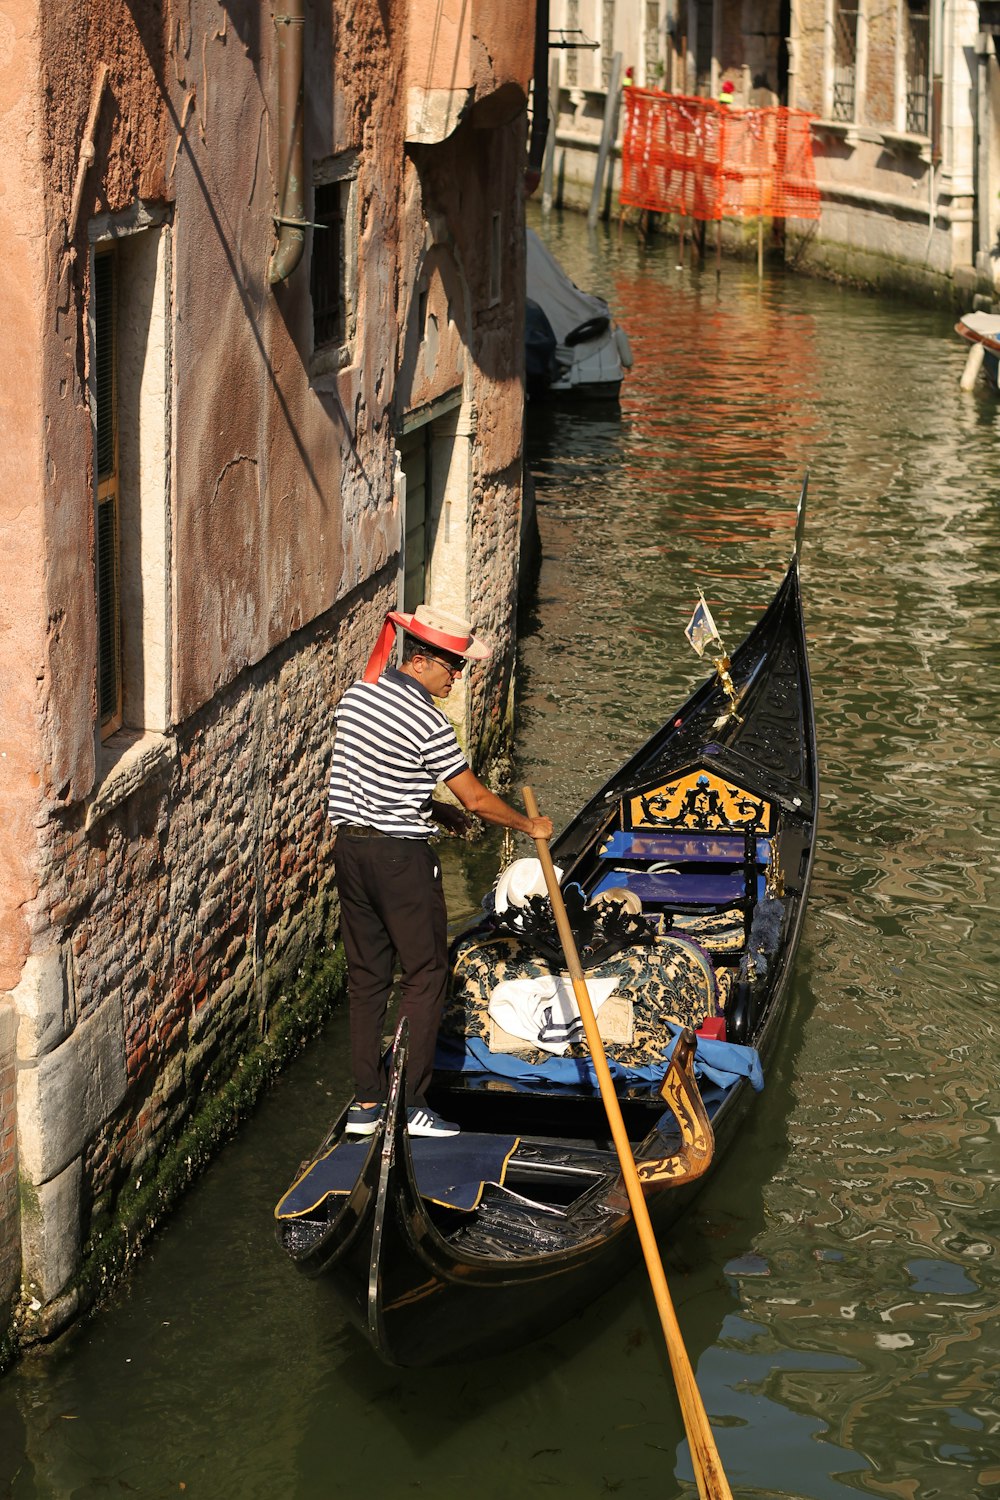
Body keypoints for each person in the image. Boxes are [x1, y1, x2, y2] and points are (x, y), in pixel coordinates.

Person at [327, 604, 554, 1139]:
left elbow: (371, 777)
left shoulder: (357, 697)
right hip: (401, 861)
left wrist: (432, 809)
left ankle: (366, 1105)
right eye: (454, 666)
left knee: (366, 980)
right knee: (427, 975)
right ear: (424, 659)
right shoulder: (429, 719)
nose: (458, 677)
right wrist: (528, 825)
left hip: (350, 853)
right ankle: (410, 1105)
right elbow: (476, 798)